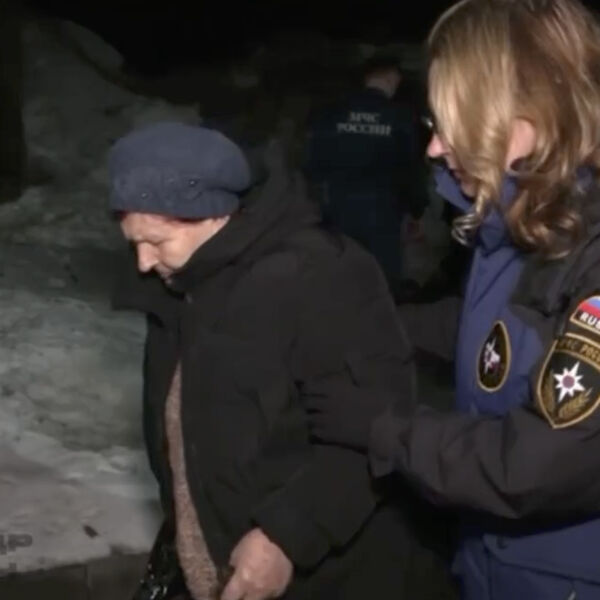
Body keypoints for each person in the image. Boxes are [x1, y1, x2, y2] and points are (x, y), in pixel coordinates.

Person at [304, 1, 600, 598]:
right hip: (497, 565)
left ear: (527, 114)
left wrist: (384, 431)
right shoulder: (532, 221)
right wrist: (382, 323)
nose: (435, 148)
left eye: (452, 123)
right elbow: (503, 333)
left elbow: (535, 464)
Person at [108, 122, 451, 600]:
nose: (143, 262)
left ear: (213, 216)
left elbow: (373, 436)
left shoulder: (322, 276)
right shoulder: (177, 283)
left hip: (333, 579)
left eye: (157, 242)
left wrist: (286, 536)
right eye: (133, 243)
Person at [304, 54, 426, 298]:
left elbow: (313, 163)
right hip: (383, 213)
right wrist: (416, 208)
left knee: (339, 279)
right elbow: (410, 167)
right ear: (392, 78)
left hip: (337, 210)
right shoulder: (400, 117)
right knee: (382, 283)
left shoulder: (332, 113)